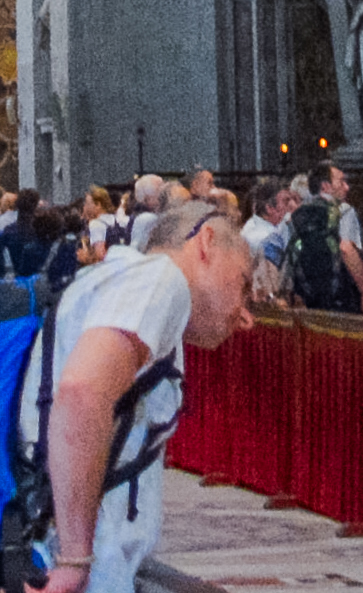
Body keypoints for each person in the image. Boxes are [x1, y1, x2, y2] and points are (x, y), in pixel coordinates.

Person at [43, 207, 254, 593]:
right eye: (243, 282)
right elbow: (82, 392)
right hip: (84, 570)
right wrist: (73, 559)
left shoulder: (120, 281)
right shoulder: (161, 279)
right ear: (206, 241)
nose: (246, 315)